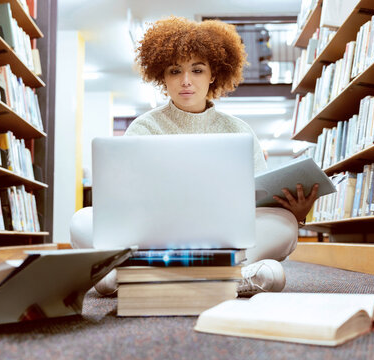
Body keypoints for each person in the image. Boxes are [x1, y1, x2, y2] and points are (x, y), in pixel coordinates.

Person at [70, 16, 318, 296]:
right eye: (175, 71)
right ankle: (230, 278)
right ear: (162, 76)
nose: (186, 81)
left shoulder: (239, 131)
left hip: (223, 241)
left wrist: (294, 214)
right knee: (81, 220)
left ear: (213, 74)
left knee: (283, 226)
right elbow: (120, 203)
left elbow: (258, 204)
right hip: (153, 241)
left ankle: (137, 277)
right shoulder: (143, 128)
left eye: (197, 70)